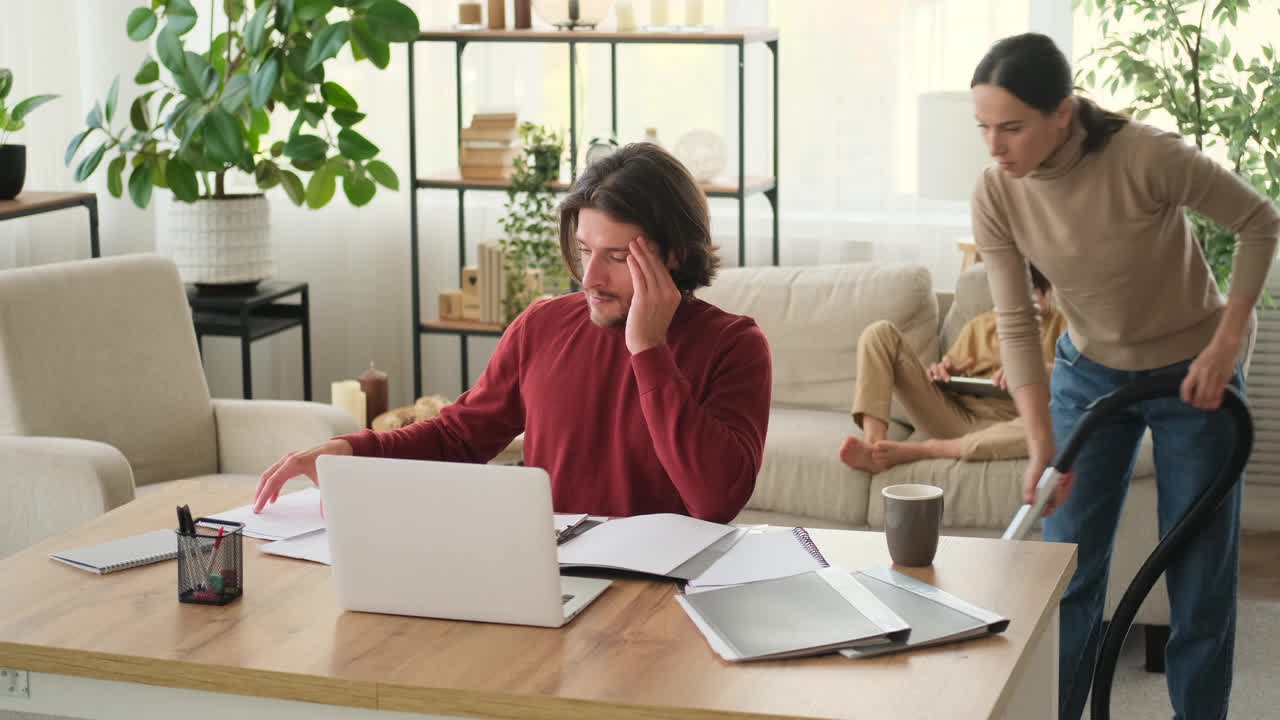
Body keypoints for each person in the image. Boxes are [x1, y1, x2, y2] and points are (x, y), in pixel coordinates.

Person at [969, 32, 1279, 720]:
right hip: (1087, 375)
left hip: (1191, 374)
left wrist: (1227, 342)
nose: (995, 147)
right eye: (984, 127)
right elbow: (1016, 321)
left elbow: (1260, 222)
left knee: (1197, 580)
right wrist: (1040, 442)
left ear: (1063, 113)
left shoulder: (1145, 156)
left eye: (1011, 128)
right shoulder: (996, 192)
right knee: (1068, 572)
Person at [252, 143, 773, 524]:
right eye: (586, 251)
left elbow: (716, 499)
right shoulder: (543, 326)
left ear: (675, 254)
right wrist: (349, 452)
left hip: (669, 600)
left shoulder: (735, 346)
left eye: (617, 258)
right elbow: (459, 438)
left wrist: (649, 350)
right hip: (559, 584)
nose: (589, 278)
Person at [839, 265, 1064, 473]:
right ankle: (875, 447)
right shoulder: (979, 325)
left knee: (1058, 427)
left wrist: (1037, 371)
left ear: (1049, 290)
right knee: (878, 333)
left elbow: (1079, 383)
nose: (1027, 302)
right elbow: (949, 372)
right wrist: (944, 373)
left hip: (1014, 424)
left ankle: (929, 450)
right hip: (957, 418)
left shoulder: (1065, 327)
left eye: (1036, 291)